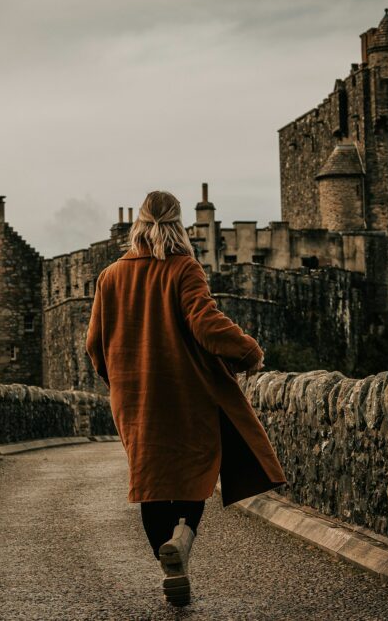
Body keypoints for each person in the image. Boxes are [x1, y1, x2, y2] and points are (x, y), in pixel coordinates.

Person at [85, 190, 287, 607]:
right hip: (186, 392)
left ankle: (169, 559)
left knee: (151, 483)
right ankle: (183, 539)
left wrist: (119, 381)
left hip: (135, 399)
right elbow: (206, 322)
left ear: (138, 225)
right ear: (179, 225)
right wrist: (249, 351)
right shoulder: (183, 268)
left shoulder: (110, 277)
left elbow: (94, 345)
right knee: (197, 473)